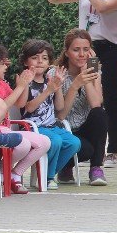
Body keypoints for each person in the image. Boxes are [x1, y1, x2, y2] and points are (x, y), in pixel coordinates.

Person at [49, 0, 117, 167]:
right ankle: (86, 142)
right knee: (87, 94)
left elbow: (103, 7)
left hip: (111, 49)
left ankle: (112, 150)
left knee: (109, 97)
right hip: (88, 48)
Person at [0, 44, 50, 194]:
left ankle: (14, 175)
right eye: (2, 64)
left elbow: (19, 103)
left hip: (6, 130)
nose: (6, 67)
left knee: (44, 142)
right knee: (22, 145)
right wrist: (20, 87)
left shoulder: (2, 84)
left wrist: (26, 83)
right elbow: (2, 107)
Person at [15, 40, 81, 190]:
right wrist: (48, 90)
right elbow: (29, 108)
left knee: (74, 143)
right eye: (35, 58)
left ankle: (46, 173)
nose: (40, 62)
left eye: (44, 58)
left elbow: (60, 107)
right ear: (26, 61)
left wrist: (56, 87)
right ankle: (48, 178)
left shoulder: (48, 81)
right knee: (56, 141)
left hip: (51, 126)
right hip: (33, 128)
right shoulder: (26, 81)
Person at [56, 29, 108, 186]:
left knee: (100, 114)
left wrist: (89, 77)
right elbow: (61, 115)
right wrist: (75, 84)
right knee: (86, 150)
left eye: (86, 49)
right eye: (76, 50)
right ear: (66, 52)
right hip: (65, 130)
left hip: (86, 129)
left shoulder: (95, 72)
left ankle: (96, 169)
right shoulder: (57, 73)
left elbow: (96, 105)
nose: (81, 54)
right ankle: (66, 166)